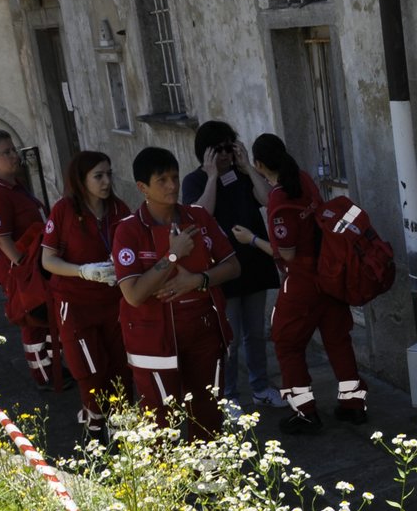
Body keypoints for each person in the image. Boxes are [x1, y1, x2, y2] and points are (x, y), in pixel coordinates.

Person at [111, 147, 240, 440]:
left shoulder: (198, 217)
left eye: (174, 177)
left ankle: (211, 483)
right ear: (142, 187)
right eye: (162, 180)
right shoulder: (128, 231)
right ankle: (168, 486)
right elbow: (133, 294)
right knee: (159, 426)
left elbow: (233, 266)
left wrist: (198, 280)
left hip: (203, 332)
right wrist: (172, 255)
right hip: (153, 341)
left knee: (209, 417)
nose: (172, 186)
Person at [251, 132, 368, 434]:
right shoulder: (302, 179)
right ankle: (354, 405)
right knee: (338, 340)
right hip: (328, 274)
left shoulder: (280, 199)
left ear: (260, 164)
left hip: (302, 281)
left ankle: (304, 412)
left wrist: (252, 240)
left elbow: (286, 252)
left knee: (287, 344)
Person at [181, 121, 283, 414]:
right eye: (219, 150)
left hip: (253, 262)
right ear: (206, 153)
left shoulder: (242, 174)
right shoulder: (194, 181)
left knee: (256, 332)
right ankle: (229, 396)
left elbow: (268, 200)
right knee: (230, 338)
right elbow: (201, 216)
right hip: (222, 268)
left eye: (230, 147)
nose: (226, 155)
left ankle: (261, 387)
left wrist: (248, 167)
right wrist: (212, 176)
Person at [39, 151, 131, 438]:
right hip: (76, 303)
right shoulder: (64, 210)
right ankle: (94, 426)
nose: (106, 182)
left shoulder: (118, 209)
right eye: (98, 176)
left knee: (121, 366)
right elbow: (48, 260)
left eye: (109, 174)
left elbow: (133, 248)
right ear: (81, 179)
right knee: (91, 369)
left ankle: (123, 427)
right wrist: (83, 271)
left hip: (114, 302)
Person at [0, 129, 55, 388]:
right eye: (7, 152)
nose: (14, 155)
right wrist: (23, 268)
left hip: (31, 258)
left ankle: (54, 367)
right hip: (16, 263)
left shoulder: (13, 183)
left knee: (44, 313)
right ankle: (43, 374)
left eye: (14, 149)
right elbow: (2, 237)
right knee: (30, 312)